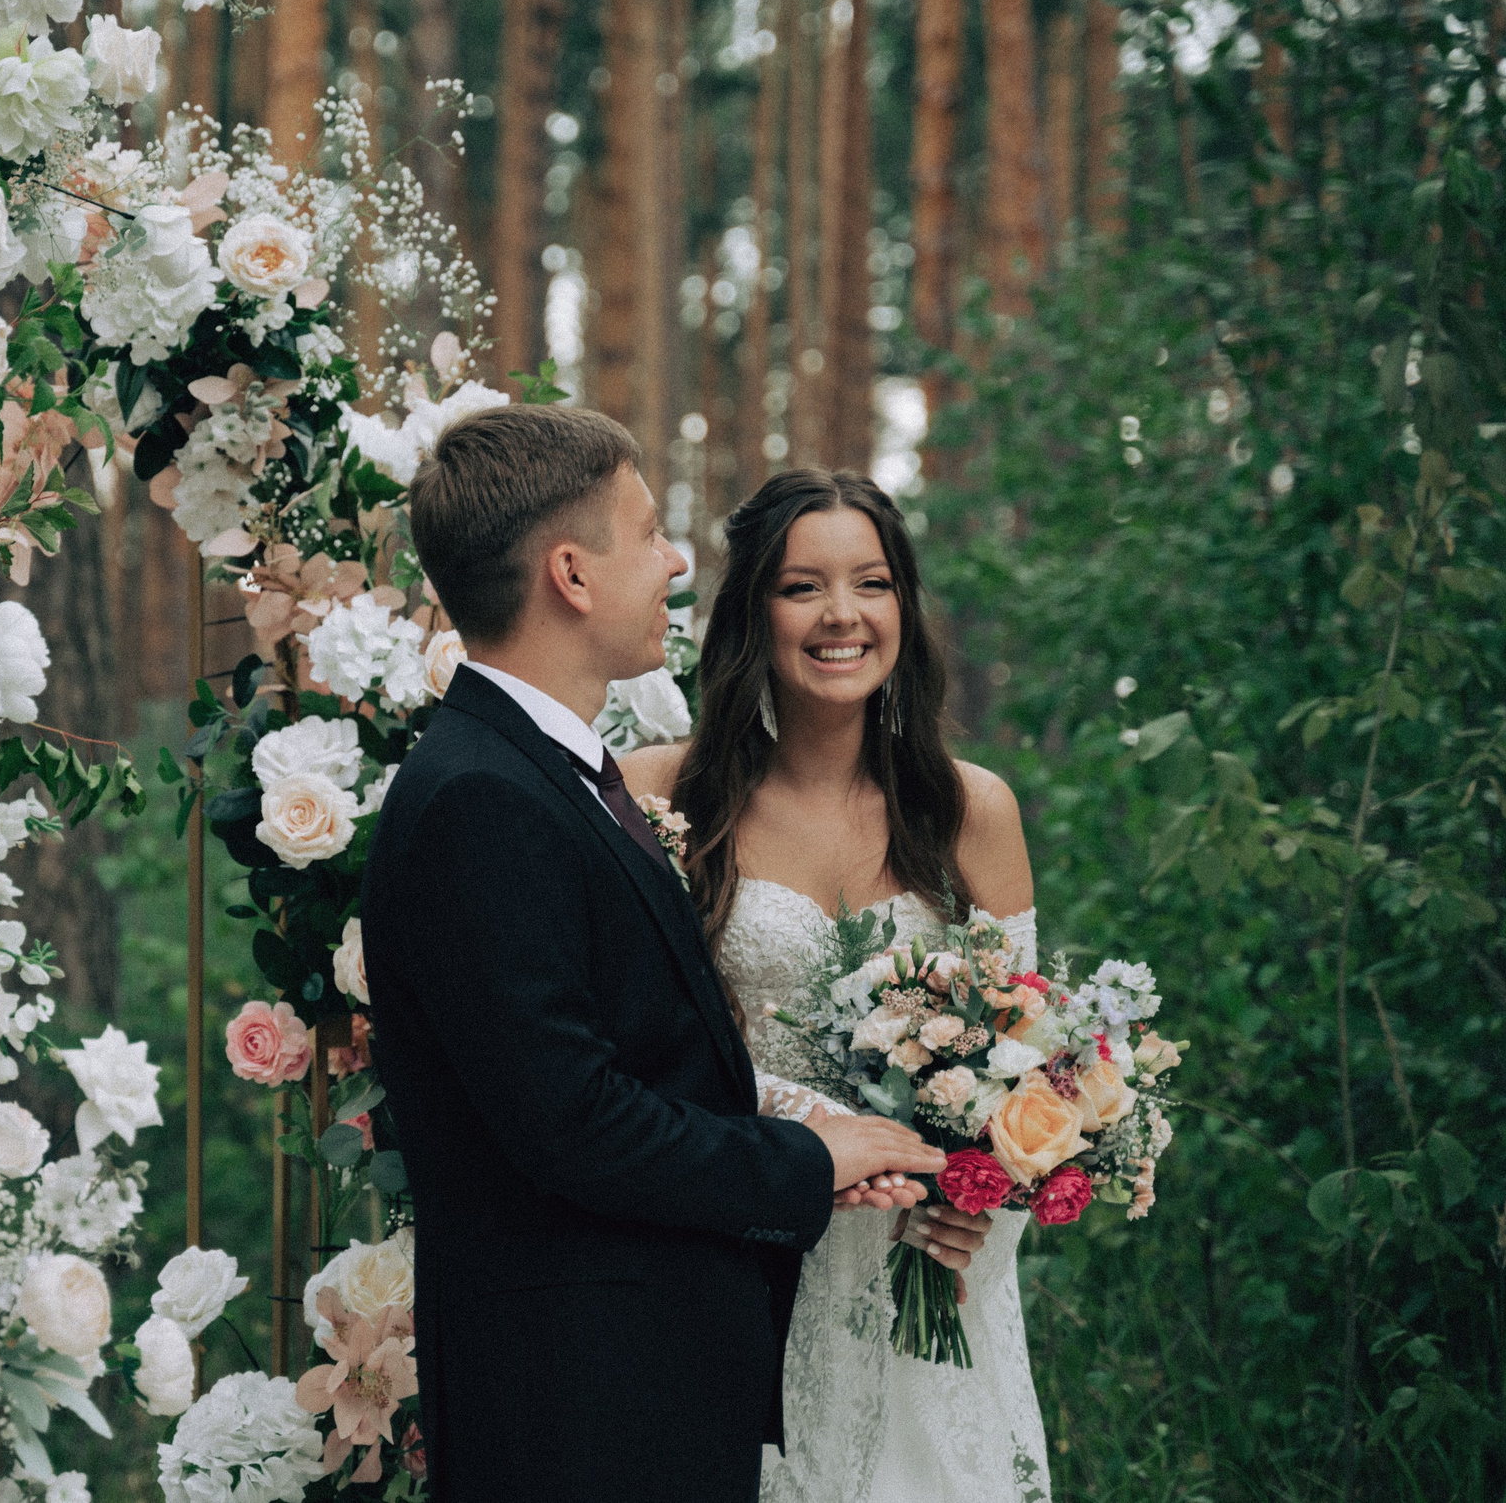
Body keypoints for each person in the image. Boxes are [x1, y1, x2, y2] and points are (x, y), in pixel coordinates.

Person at [362, 407, 950, 1502]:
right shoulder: (482, 798)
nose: (678, 559)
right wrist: (807, 1160)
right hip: (575, 1410)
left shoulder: (553, 772)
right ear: (572, 574)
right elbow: (573, 1120)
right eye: (647, 532)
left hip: (641, 1389)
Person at [621, 468, 1051, 1503]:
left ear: (903, 602)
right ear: (752, 613)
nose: (842, 614)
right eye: (801, 586)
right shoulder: (659, 795)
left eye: (870, 582)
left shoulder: (969, 808)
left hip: (924, 1271)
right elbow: (636, 1047)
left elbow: (1034, 1060)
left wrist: (983, 1207)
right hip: (741, 1259)